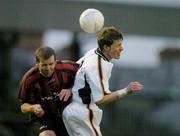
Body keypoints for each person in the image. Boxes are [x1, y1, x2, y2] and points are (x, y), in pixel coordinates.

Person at [62, 26, 144, 136]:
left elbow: (74, 69)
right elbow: (100, 100)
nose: (122, 48)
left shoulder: (92, 52)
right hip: (83, 113)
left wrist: (69, 87)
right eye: (118, 45)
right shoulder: (98, 66)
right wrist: (126, 90)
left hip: (72, 110)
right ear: (106, 47)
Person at [18, 46, 79, 136]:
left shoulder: (68, 69)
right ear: (37, 63)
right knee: (47, 135)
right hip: (42, 117)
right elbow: (23, 106)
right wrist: (33, 108)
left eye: (51, 64)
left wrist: (71, 89)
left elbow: (86, 78)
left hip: (66, 115)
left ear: (55, 61)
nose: (48, 68)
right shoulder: (29, 79)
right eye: (44, 65)